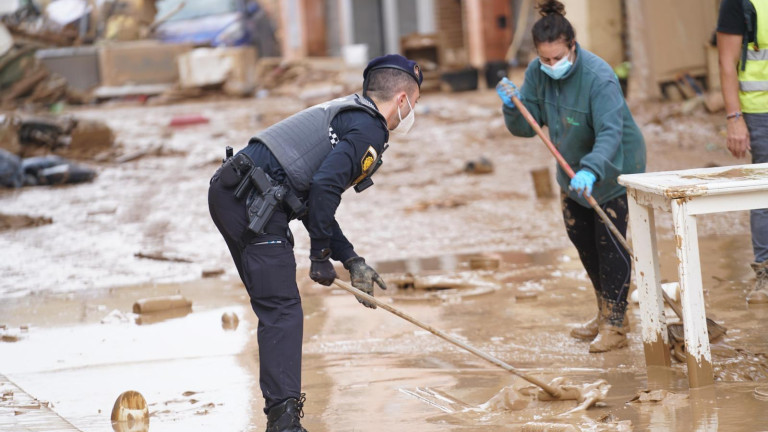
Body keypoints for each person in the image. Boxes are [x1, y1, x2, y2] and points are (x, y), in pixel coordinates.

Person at [208, 54, 422, 432]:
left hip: (238, 194)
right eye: (415, 104)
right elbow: (324, 187)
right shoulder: (370, 131)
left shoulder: (350, 114)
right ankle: (284, 423)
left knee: (276, 306)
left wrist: (350, 259)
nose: (412, 113)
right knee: (282, 308)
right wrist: (319, 254)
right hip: (251, 202)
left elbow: (308, 198)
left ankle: (282, 416)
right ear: (402, 100)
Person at [496, 0, 646, 353]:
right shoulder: (537, 73)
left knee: (610, 242)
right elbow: (527, 127)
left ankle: (615, 324)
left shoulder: (599, 77)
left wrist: (593, 170)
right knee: (583, 240)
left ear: (572, 47)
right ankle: (608, 311)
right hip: (571, 168)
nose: (551, 66)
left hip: (613, 166)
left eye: (558, 58)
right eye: (545, 59)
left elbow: (610, 133)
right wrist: (512, 105)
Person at [717, 0, 768, 304]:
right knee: (764, 192)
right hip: (760, 111)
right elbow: (726, 62)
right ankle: (765, 272)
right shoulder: (739, 2)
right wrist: (735, 118)